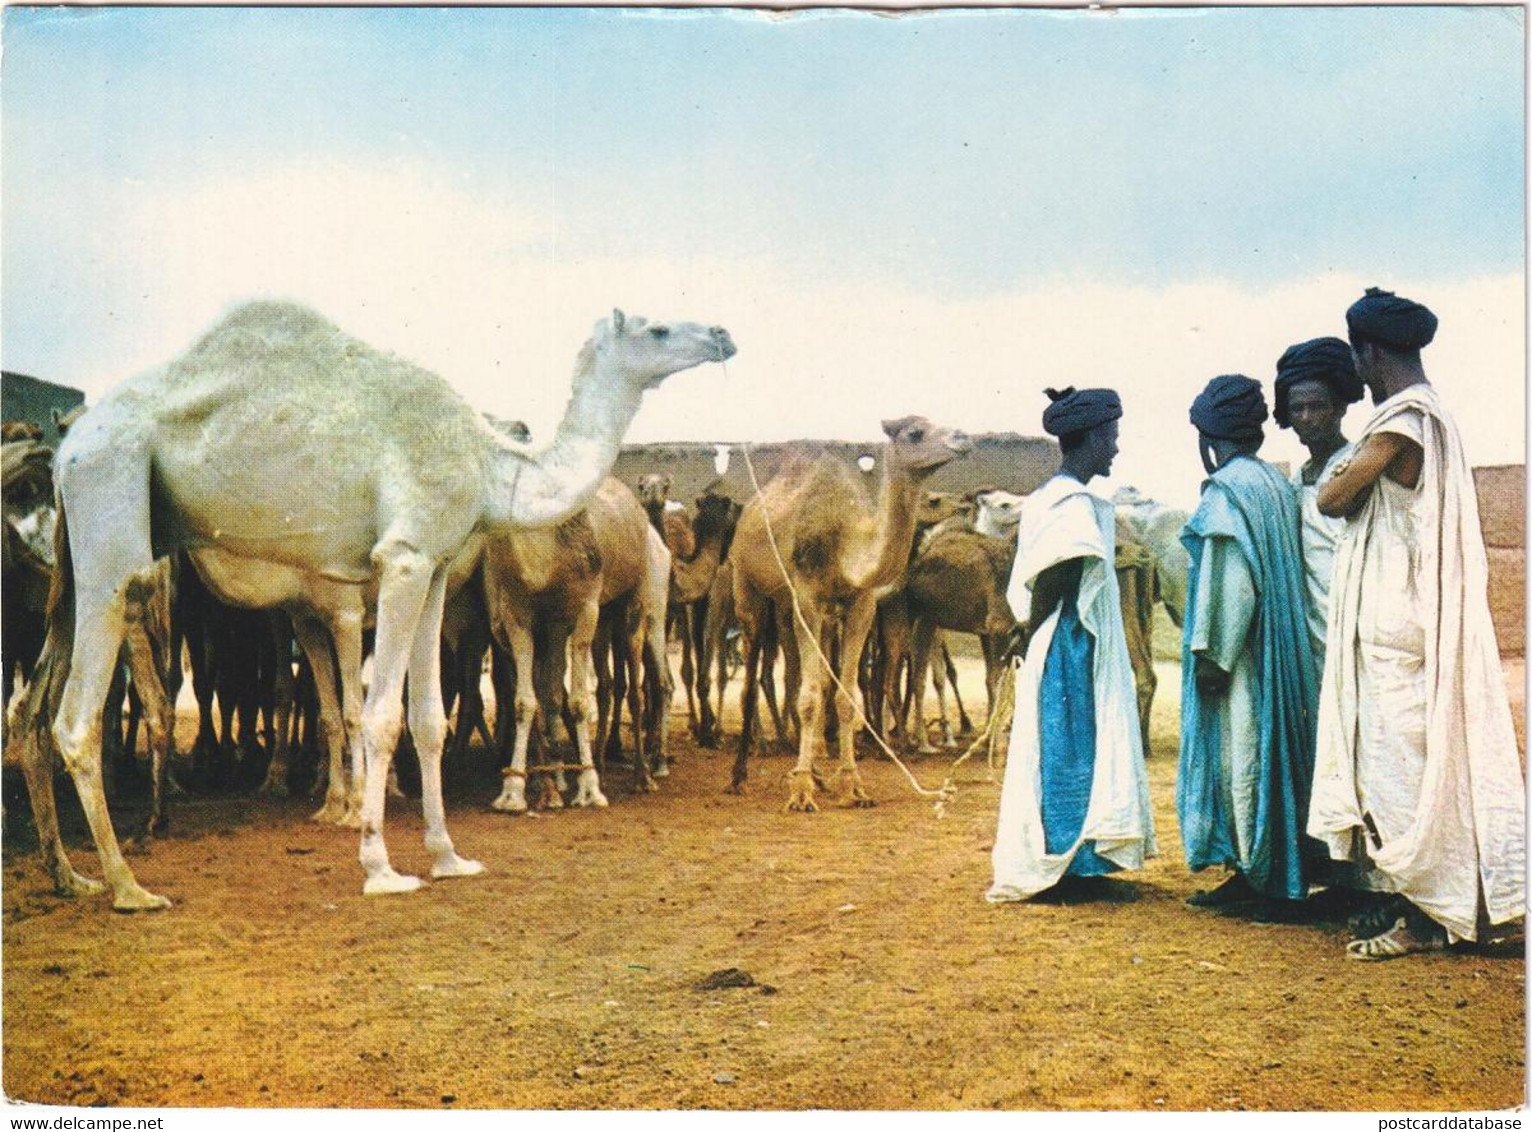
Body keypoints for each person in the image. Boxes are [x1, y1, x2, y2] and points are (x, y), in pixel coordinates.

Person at [1308, 287, 1525, 960]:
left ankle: (1428, 915)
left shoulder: (1403, 421)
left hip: (1397, 624)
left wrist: (1346, 465)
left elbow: (1331, 495)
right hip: (1406, 618)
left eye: (1360, 359)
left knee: (1402, 764)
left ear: (1369, 352)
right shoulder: (1429, 417)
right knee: (1419, 759)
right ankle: (1452, 904)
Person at [988, 387, 1155, 902]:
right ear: (1089, 438)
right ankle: (1061, 862)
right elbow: (1057, 572)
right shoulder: (1072, 504)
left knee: (1072, 744)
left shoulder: (1051, 499)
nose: (1115, 450)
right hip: (1068, 640)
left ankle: (1077, 861)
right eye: (1111, 438)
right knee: (1069, 747)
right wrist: (1033, 627)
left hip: (1061, 635)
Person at [1177, 375, 1320, 913]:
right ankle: (1252, 872)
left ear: (1207, 437)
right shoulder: (1272, 483)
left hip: (1243, 657)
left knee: (1244, 762)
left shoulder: (1227, 491)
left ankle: (1265, 879)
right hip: (1277, 650)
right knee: (1267, 758)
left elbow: (1230, 578)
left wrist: (1214, 655)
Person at [1273, 337, 1363, 669]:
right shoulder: (1297, 480)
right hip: (1313, 635)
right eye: (1298, 409)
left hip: (1355, 629)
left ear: (1339, 408)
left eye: (1318, 406)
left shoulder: (1355, 466)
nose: (1308, 417)